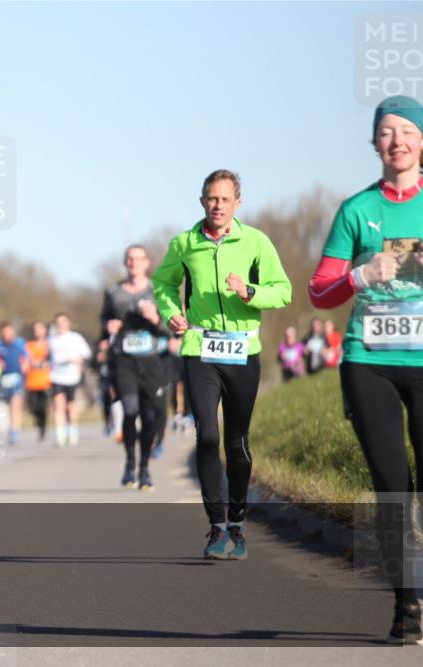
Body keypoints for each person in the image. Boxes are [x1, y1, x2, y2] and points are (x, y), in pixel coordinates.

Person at [308, 95, 423, 644]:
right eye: (386, 131)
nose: (396, 140)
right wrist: (361, 275)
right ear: (375, 143)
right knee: (392, 486)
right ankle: (408, 604)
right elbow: (319, 292)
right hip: (368, 360)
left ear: (422, 141)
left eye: (406, 130)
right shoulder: (356, 210)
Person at [153, 169, 292, 560]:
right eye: (212, 199)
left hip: (243, 351)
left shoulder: (256, 242)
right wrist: (170, 313)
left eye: (225, 199)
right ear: (202, 201)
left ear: (237, 203)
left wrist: (248, 291)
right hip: (200, 348)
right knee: (208, 436)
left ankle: (238, 523)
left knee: (237, 441)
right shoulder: (185, 243)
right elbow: (162, 284)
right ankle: (216, 528)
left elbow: (283, 292)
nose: (218, 205)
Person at [100, 244, 172, 490]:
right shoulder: (113, 293)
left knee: (150, 416)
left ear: (147, 263)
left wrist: (155, 319)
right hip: (123, 359)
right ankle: (130, 462)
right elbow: (103, 325)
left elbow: (170, 328)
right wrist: (107, 329)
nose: (133, 263)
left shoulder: (158, 291)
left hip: (151, 359)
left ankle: (144, 469)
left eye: (138, 259)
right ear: (125, 263)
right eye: (129, 259)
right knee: (130, 411)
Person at [48, 313, 92, 447]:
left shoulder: (75, 338)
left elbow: (87, 354)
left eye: (63, 322)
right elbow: (48, 357)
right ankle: (60, 435)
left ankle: (72, 430)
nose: (61, 325)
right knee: (58, 405)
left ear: (68, 324)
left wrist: (77, 361)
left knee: (71, 405)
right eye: (58, 322)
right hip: (57, 376)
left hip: (72, 376)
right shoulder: (52, 339)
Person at [0, 321, 29, 445]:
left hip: (17, 377)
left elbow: (26, 356)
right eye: (5, 332)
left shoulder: (19, 343)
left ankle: (15, 430)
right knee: (4, 405)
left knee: (16, 403)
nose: (8, 335)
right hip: (3, 378)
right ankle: (5, 427)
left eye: (10, 331)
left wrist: (25, 363)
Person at [24, 320, 52, 442]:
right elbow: (25, 360)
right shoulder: (29, 345)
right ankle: (38, 422)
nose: (38, 331)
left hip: (45, 381)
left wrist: (46, 364)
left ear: (45, 330)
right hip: (31, 381)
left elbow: (53, 360)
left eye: (40, 328)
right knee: (33, 408)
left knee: (43, 407)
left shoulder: (49, 345)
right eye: (36, 329)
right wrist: (30, 363)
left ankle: (42, 429)